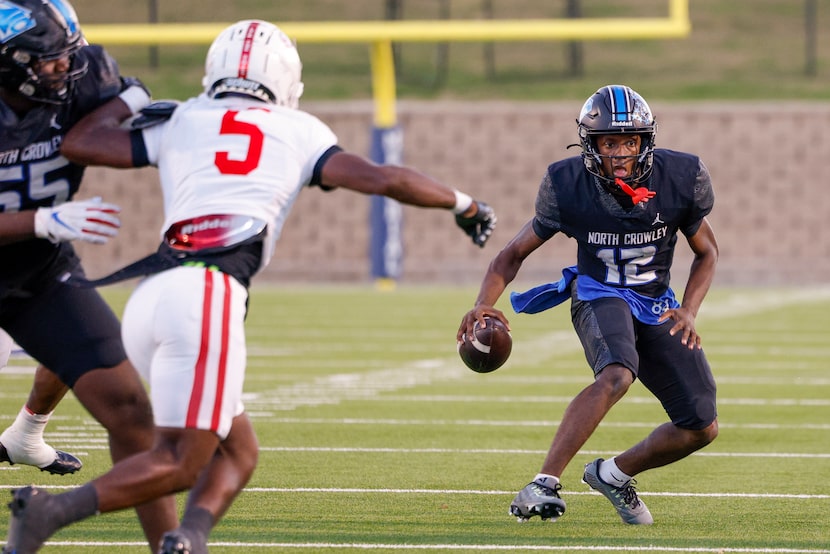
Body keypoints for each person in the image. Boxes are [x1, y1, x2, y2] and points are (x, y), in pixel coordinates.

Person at [2, 19, 498, 554]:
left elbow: (82, 143)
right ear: (285, 80)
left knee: (238, 452)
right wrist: (463, 204)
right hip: (208, 294)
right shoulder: (299, 129)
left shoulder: (185, 116)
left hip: (152, 294)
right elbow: (385, 178)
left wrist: (128, 101)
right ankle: (51, 510)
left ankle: (185, 539)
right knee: (179, 462)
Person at [457, 84, 719, 525]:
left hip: (656, 302)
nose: (620, 153)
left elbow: (707, 251)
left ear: (645, 142)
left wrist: (689, 309)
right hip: (598, 292)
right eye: (609, 142)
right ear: (590, 144)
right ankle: (543, 482)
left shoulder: (681, 177)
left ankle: (613, 474)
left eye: (629, 141)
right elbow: (511, 254)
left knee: (700, 426)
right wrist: (484, 303)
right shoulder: (567, 184)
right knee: (617, 374)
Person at [0, 0, 179, 549]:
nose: (66, 69)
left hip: (38, 272)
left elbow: (133, 96)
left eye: (69, 55)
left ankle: (169, 547)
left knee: (129, 408)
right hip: (36, 239)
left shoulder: (83, 75)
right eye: (50, 61)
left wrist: (134, 105)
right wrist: (42, 218)